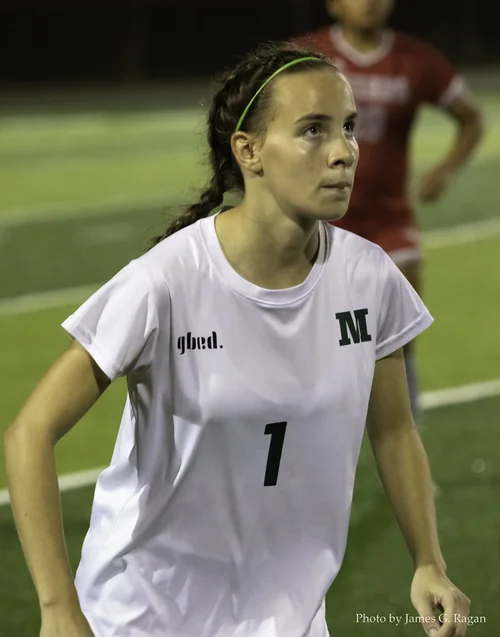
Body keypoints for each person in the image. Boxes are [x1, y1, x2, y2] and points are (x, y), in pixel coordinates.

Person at [4, 42, 470, 637]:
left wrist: (428, 562)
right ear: (248, 151)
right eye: (313, 130)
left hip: (287, 618)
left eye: (348, 128)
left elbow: (395, 431)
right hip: (145, 616)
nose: (344, 152)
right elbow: (30, 433)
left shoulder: (369, 277)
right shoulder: (167, 282)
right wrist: (58, 609)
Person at [294, 0, 484, 423]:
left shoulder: (416, 59)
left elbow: (471, 118)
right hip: (317, 220)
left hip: (388, 219)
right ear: (333, 4)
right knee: (302, 331)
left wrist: (444, 170)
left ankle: (403, 428)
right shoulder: (307, 54)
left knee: (400, 325)